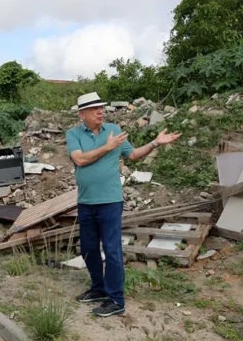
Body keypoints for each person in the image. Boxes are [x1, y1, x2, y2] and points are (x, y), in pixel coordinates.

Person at [66, 92, 181, 317]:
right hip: (86, 202)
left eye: (101, 107)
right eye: (93, 109)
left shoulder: (114, 131)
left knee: (112, 250)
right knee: (88, 249)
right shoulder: (73, 134)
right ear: (82, 114)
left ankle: (116, 299)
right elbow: (79, 159)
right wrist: (106, 148)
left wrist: (154, 143)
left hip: (110, 202)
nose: (100, 111)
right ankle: (98, 289)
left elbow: (134, 155)